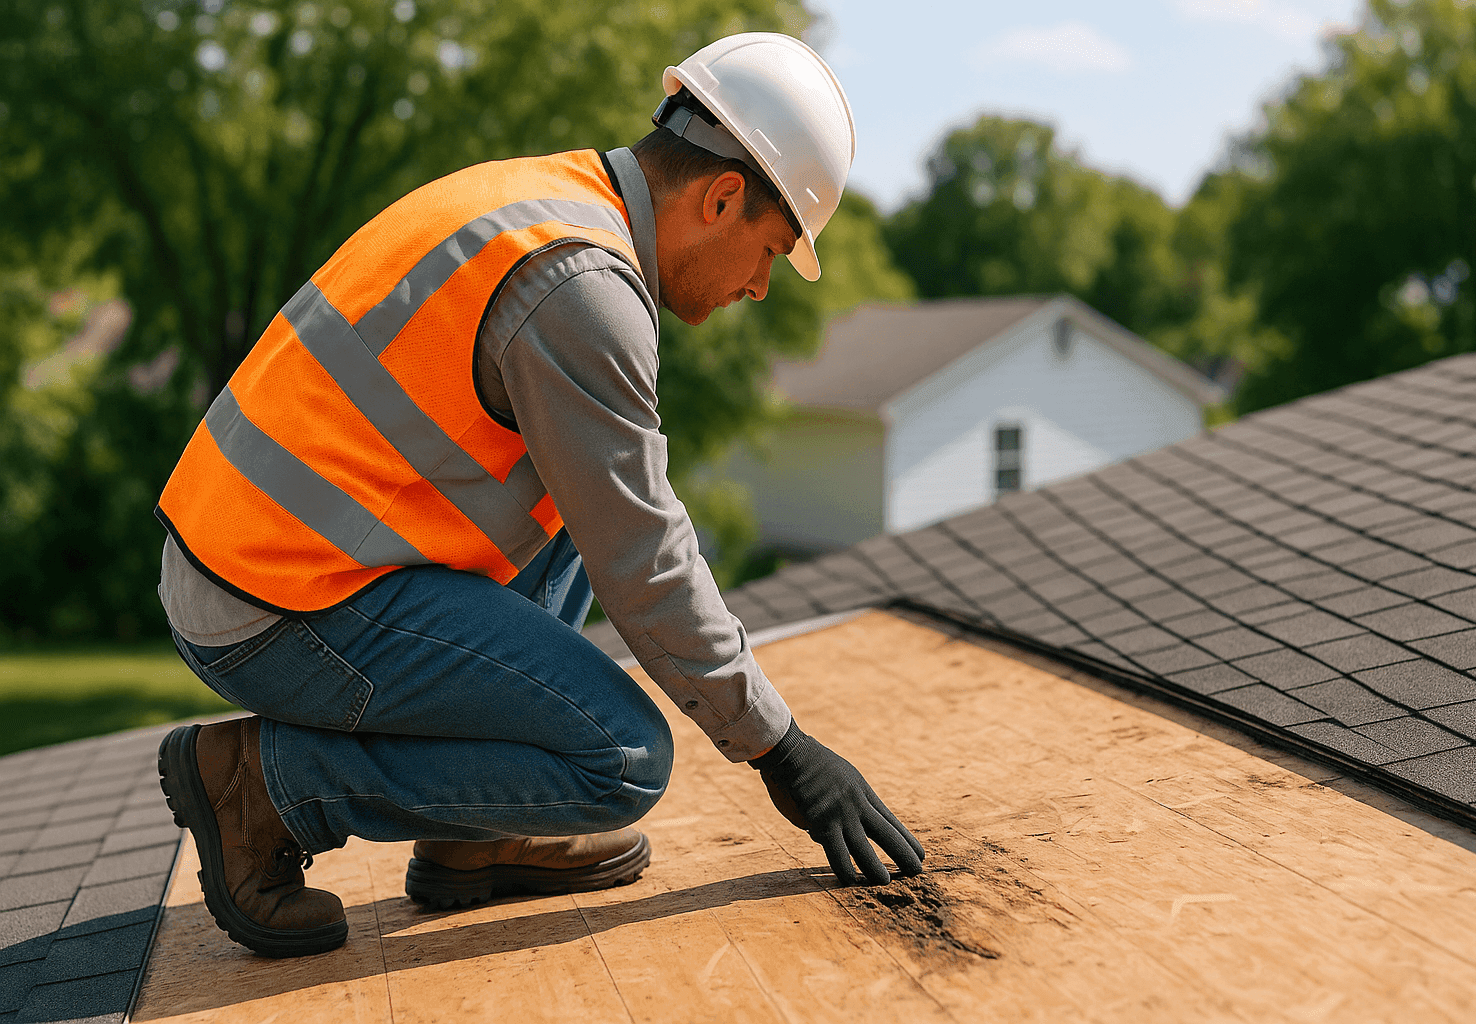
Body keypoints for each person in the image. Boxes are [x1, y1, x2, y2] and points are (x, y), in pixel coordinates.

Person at [154, 32, 924, 960]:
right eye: (767, 251)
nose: (759, 287)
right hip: (274, 604)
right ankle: (269, 788)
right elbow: (646, 565)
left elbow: (615, 521)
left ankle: (476, 838)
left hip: (268, 555)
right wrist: (781, 749)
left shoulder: (544, 196)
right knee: (623, 760)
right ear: (721, 198)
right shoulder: (580, 288)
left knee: (583, 494)